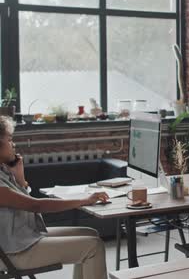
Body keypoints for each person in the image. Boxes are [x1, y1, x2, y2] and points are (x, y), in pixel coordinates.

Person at [0, 116, 109, 279]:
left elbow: (22, 202)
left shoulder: (4, 172)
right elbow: (35, 206)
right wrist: (84, 200)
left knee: (91, 234)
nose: (13, 144)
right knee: (93, 247)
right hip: (14, 252)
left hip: (21, 240)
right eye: (9, 140)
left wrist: (20, 179)